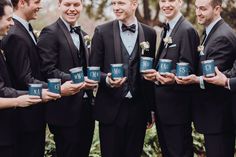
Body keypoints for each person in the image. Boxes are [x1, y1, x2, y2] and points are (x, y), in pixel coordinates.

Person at [90, 0, 157, 156]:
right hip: (110, 109)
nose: (116, 7)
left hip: (138, 110)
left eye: (121, 3)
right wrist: (107, 79)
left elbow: (148, 75)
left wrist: (151, 109)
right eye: (113, 3)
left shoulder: (150, 34)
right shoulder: (101, 32)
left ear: (134, 4)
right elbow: (93, 71)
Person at [175, 0, 236, 156]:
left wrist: (195, 79)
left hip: (219, 118)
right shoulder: (210, 31)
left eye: (203, 9)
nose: (197, 12)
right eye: (196, 8)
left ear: (217, 9)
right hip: (213, 117)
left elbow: (217, 77)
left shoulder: (221, 36)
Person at [37, 0, 97, 156]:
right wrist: (81, 80)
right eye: (67, 4)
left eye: (76, 5)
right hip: (64, 111)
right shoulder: (49, 32)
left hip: (87, 110)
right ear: (59, 5)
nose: (72, 9)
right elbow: (48, 70)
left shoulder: (84, 35)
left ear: (82, 6)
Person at [1, 0, 61, 157]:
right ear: (22, 3)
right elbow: (25, 78)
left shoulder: (24, 29)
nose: (40, 6)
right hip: (26, 118)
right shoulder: (15, 34)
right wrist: (55, 88)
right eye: (36, 2)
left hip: (32, 114)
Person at [143, 0, 199, 156]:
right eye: (163, 1)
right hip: (163, 110)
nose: (166, 5)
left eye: (171, 0)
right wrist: (155, 74)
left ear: (180, 2)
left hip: (177, 110)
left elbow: (188, 67)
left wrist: (170, 77)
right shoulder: (166, 30)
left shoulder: (186, 30)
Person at [0, 0, 41, 156]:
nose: (12, 24)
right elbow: (3, 89)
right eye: (8, 19)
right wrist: (44, 92)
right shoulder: (15, 36)